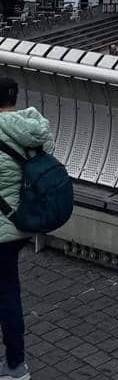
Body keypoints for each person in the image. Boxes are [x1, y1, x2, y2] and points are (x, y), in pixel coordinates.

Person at [0, 73, 55, 379]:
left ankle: (16, 365)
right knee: (9, 292)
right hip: (20, 222)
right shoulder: (34, 128)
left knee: (6, 296)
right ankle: (14, 364)